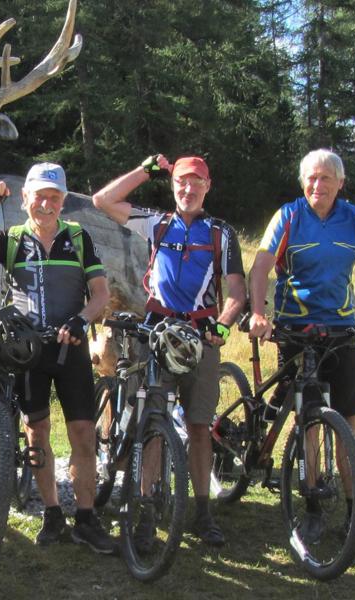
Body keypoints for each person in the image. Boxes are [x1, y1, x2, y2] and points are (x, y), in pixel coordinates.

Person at [0, 163, 118, 554]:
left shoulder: (78, 238)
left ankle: (87, 519)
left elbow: (101, 294)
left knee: (83, 435)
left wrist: (81, 320)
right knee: (36, 432)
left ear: (63, 202)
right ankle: (53, 513)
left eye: (54, 197)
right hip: (26, 352)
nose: (46, 204)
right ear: (25, 200)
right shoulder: (12, 239)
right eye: (39, 196)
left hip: (70, 348)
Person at [248, 148, 355, 551]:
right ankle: (313, 510)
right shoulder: (289, 215)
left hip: (342, 331)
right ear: (303, 182)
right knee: (310, 423)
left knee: (347, 428)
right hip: (296, 329)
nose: (318, 185)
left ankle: (354, 518)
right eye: (311, 178)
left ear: (340, 183)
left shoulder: (353, 218)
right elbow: (262, 264)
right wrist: (259, 313)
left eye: (326, 178)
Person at [92, 154, 246, 547]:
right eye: (181, 182)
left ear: (207, 187)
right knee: (153, 424)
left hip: (201, 335)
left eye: (196, 183)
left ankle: (202, 512)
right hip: (156, 332)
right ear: (173, 185)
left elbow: (237, 292)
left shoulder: (220, 233)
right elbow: (103, 201)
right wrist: (145, 170)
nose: (188, 189)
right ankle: (146, 510)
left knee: (198, 427)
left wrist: (223, 325)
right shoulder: (156, 222)